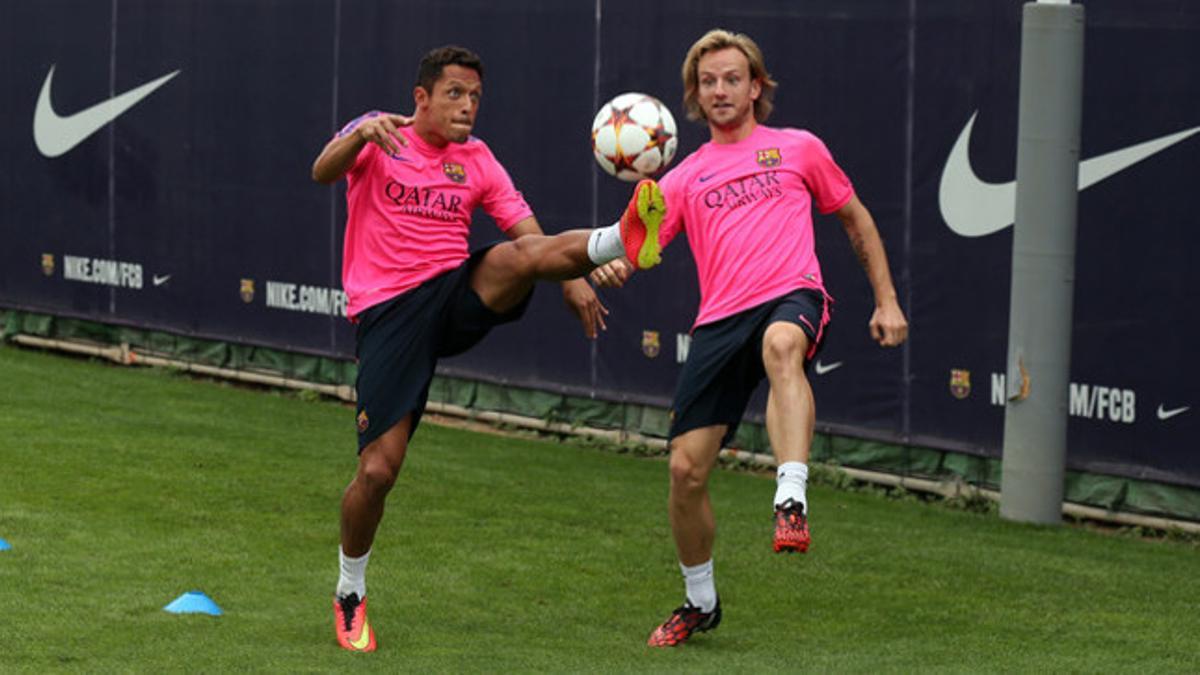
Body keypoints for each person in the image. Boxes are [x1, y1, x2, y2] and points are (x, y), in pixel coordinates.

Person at [311, 45, 665, 652]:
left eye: (475, 97)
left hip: (455, 295)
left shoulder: (476, 161)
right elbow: (322, 170)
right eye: (454, 94)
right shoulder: (378, 134)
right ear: (420, 97)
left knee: (518, 259)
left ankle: (619, 236)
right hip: (391, 314)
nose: (467, 107)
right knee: (377, 471)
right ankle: (350, 591)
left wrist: (577, 279)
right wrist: (357, 138)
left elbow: (529, 234)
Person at [591, 29, 909, 647]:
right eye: (708, 81)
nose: (720, 90)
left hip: (792, 294)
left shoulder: (798, 149)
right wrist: (612, 265)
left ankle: (790, 498)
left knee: (782, 347)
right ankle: (699, 601)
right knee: (684, 472)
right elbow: (638, 249)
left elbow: (855, 217)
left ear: (756, 86)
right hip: (719, 321)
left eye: (732, 78)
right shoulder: (682, 178)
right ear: (694, 95)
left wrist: (887, 299)